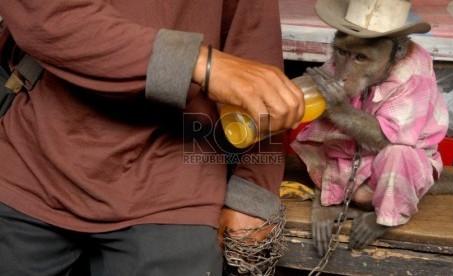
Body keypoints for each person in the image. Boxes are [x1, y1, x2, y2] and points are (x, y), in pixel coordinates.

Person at [0, 1, 304, 275]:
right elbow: (47, 16)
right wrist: (199, 64)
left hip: (175, 177)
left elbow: (255, 45)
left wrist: (253, 189)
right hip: (34, 166)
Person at [291, 0, 449, 255]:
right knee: (313, 137)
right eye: (342, 52)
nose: (343, 72)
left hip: (394, 164)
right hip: (351, 157)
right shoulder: (341, 59)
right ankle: (331, 200)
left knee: (399, 155)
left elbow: (388, 139)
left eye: (361, 58)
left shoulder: (412, 72)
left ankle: (385, 217)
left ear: (395, 54)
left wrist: (340, 109)